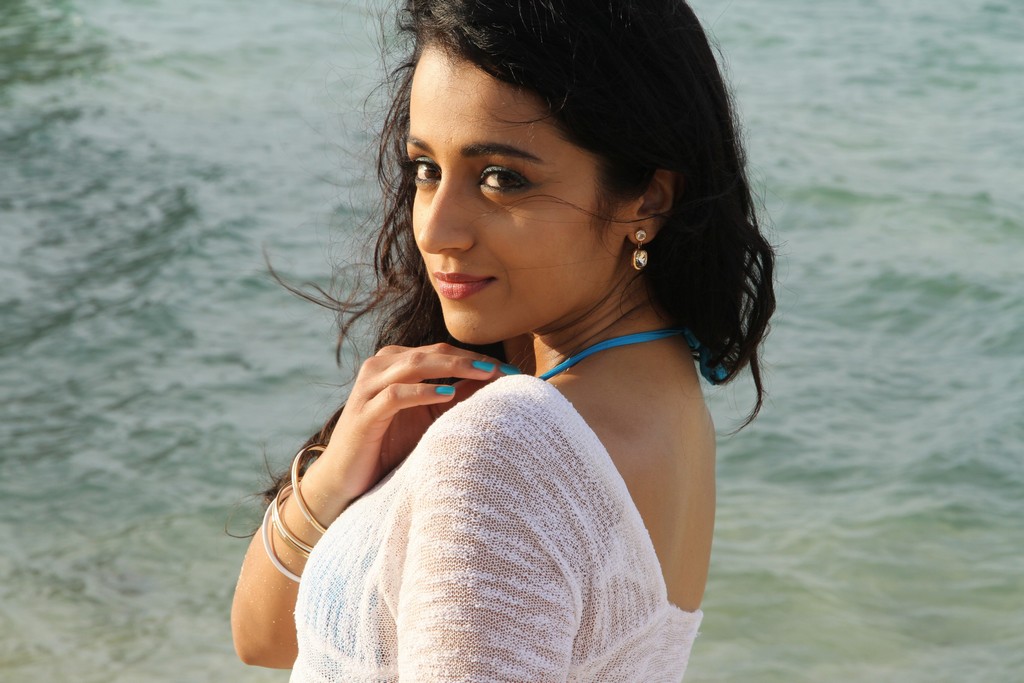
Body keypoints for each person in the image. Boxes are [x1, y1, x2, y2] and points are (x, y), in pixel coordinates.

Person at [231, 0, 775, 679]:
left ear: (649, 198)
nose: (435, 229)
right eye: (426, 169)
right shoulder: (664, 399)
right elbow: (265, 639)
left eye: (501, 179)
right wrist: (337, 472)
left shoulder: (506, 448)